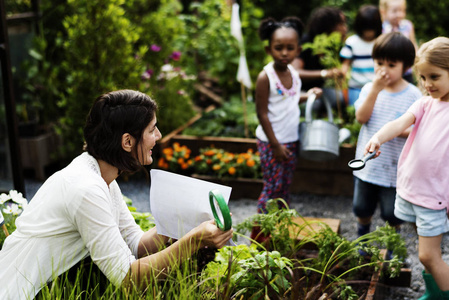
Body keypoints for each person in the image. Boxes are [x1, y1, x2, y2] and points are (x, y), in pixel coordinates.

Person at [0, 90, 233, 299]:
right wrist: (194, 240)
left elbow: (135, 244)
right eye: (152, 130)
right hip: (23, 291)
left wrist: (182, 219)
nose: (159, 136)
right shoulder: (87, 189)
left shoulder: (102, 178)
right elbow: (128, 280)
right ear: (127, 141)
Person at [363, 36, 449, 299]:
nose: (427, 84)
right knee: (426, 252)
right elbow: (400, 123)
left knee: (427, 255)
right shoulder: (425, 103)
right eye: (422, 78)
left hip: (434, 195)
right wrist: (378, 137)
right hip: (412, 189)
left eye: (434, 77)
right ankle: (433, 292)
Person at [352, 32, 421, 249]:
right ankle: (362, 241)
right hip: (368, 165)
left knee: (393, 213)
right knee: (361, 207)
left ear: (406, 66)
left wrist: (398, 131)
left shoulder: (413, 95)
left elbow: (419, 130)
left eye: (391, 64)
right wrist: (374, 89)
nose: (383, 69)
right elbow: (361, 118)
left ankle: (393, 249)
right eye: (379, 63)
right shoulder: (369, 89)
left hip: (395, 169)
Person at [254, 16, 321, 215]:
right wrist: (275, 145)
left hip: (291, 139)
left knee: (284, 188)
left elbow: (289, 98)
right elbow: (262, 112)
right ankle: (260, 233)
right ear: (269, 49)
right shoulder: (265, 77)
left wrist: (307, 95)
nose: (284, 52)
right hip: (271, 142)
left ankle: (280, 228)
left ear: (298, 50)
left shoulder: (293, 72)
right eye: (278, 47)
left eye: (290, 48)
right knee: (272, 188)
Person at [291, 6, 347, 116]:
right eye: (341, 24)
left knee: (339, 99)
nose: (345, 28)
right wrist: (325, 73)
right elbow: (295, 71)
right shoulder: (306, 43)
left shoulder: (334, 46)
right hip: (302, 91)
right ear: (329, 26)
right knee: (314, 104)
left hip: (321, 90)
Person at [340, 5, 383, 106]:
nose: (368, 33)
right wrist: (342, 74)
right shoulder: (352, 42)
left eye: (370, 29)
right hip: (356, 87)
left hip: (377, 86)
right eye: (365, 29)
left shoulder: (381, 42)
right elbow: (345, 64)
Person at [379, 0, 417, 82]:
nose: (399, 14)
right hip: (388, 71)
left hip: (406, 70)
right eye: (394, 11)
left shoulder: (407, 25)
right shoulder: (381, 27)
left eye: (401, 10)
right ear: (384, 12)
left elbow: (413, 44)